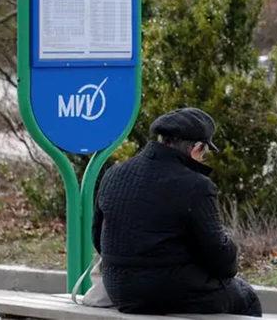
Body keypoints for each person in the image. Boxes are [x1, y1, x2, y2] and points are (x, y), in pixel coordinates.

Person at [93, 107, 262, 316]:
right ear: (197, 148)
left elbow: (97, 238)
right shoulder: (196, 185)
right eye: (204, 153)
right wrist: (230, 246)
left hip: (119, 289)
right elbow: (221, 260)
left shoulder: (114, 174)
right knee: (246, 298)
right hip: (169, 290)